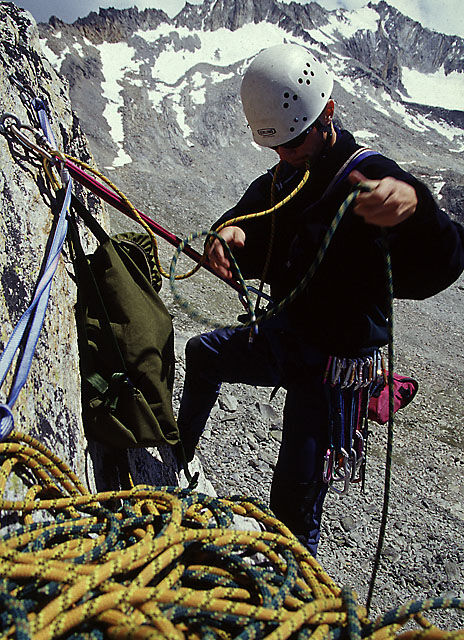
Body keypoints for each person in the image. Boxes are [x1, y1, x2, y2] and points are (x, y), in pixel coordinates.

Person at [176, 44, 464, 555]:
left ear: (327, 113)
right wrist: (229, 234)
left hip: (333, 371)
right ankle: (179, 460)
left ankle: (296, 585)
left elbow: (445, 259)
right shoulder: (285, 175)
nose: (286, 154)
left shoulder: (370, 175)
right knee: (202, 354)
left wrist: (417, 209)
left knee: (294, 500)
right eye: (276, 147)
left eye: (294, 142)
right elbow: (253, 220)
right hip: (288, 338)